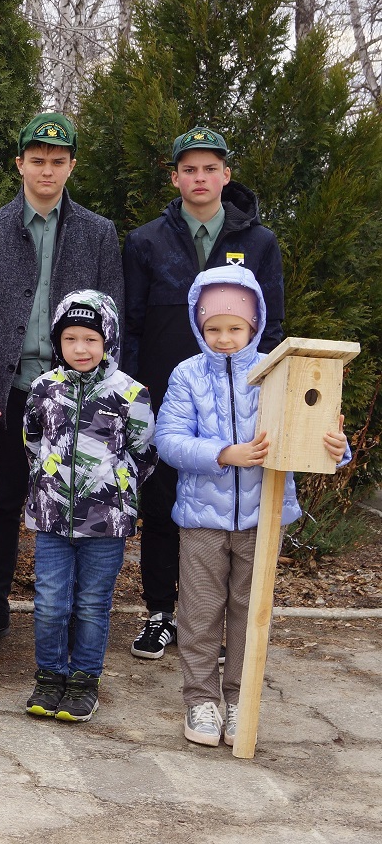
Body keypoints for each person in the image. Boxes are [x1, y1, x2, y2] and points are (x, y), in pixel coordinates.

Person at [155, 265, 347, 748]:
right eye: (213, 328)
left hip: (264, 519)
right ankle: (200, 699)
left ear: (255, 324)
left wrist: (334, 444)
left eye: (235, 328)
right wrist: (223, 453)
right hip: (202, 518)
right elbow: (169, 441)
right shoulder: (187, 375)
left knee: (249, 610)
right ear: (199, 326)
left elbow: (307, 429)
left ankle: (241, 699)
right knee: (200, 611)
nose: (224, 338)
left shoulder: (277, 370)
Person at [0, 111, 123, 653]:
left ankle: (75, 616)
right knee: (3, 504)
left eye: (57, 161)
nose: (46, 171)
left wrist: (102, 392)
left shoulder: (97, 234)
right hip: (6, 392)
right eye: (37, 161)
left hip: (74, 397)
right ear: (20, 164)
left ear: (71, 166)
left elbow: (113, 318)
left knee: (75, 505)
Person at [121, 126, 285, 661]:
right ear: (175, 177)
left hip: (238, 404)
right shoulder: (146, 241)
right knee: (165, 502)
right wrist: (134, 398)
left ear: (226, 175)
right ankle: (162, 614)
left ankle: (220, 628)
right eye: (188, 169)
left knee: (229, 520)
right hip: (170, 397)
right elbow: (133, 324)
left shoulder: (258, 243)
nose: (199, 178)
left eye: (209, 168)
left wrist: (271, 401)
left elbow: (274, 328)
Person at [22, 290, 156, 722]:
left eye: (91, 339)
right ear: (58, 342)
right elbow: (32, 440)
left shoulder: (130, 393)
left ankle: (83, 682)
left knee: (93, 602)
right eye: (71, 339)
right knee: (50, 601)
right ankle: (49, 676)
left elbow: (144, 451)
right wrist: (50, 480)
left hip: (106, 521)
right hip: (52, 517)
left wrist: (116, 488)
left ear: (108, 340)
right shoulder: (44, 388)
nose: (81, 349)